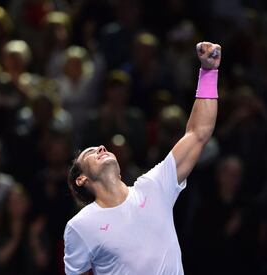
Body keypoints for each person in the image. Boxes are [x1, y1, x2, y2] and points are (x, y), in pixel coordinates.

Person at [63, 41, 221, 274]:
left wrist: (208, 71)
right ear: (81, 179)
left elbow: (198, 133)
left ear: (118, 169)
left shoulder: (154, 186)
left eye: (101, 147)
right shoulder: (80, 226)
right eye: (90, 152)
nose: (101, 148)